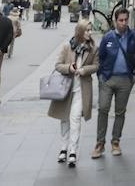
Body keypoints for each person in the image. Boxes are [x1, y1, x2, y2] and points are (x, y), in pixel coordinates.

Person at [92, 7, 135, 159]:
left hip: (125, 80)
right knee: (103, 108)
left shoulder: (134, 37)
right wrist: (101, 76)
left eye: (125, 20)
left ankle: (115, 141)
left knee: (120, 112)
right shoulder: (108, 37)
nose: (123, 23)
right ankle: (99, 144)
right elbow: (99, 57)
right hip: (107, 78)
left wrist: (134, 76)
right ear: (115, 21)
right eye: (120, 20)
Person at [49, 19, 98, 167]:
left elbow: (96, 66)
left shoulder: (93, 49)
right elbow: (57, 65)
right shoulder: (67, 47)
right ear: (80, 31)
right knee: (64, 119)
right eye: (87, 30)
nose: (90, 32)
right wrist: (69, 68)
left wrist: (85, 70)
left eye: (91, 30)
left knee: (75, 118)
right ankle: (63, 148)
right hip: (66, 88)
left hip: (82, 89)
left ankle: (73, 151)